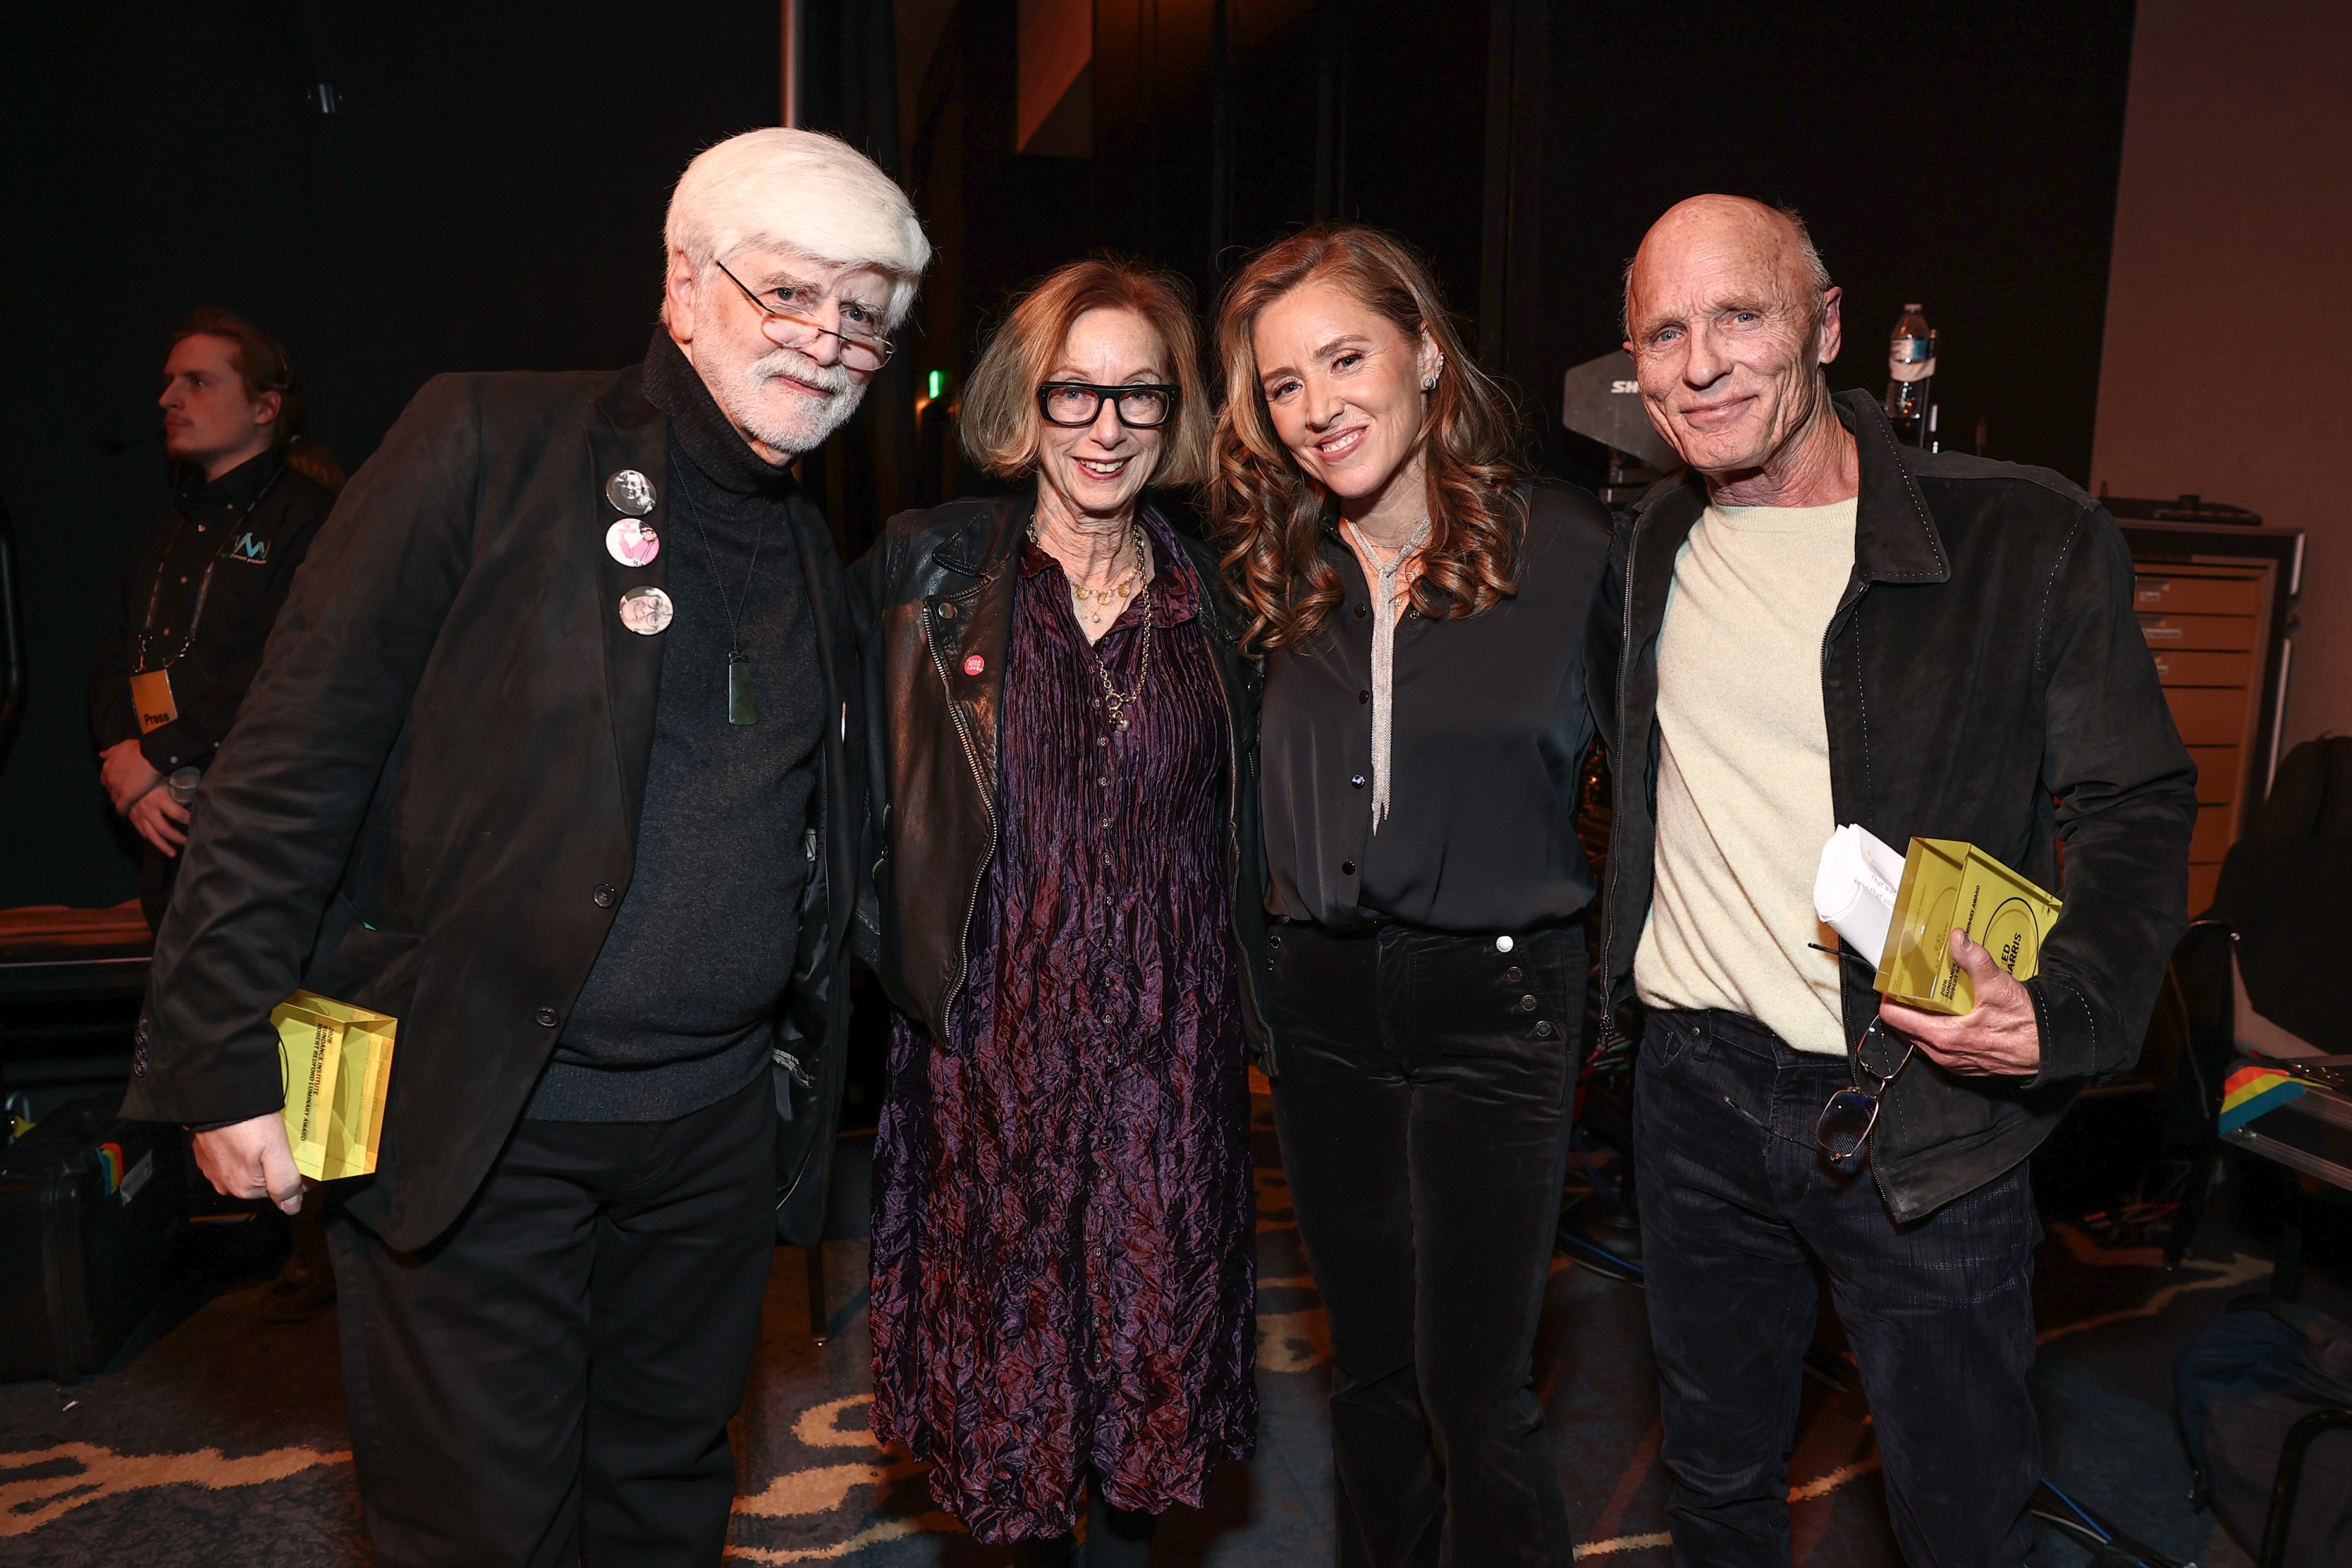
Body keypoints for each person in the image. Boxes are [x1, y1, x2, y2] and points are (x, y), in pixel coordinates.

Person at [119, 129, 927, 1565]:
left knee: (665, 1506)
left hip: (709, 1141)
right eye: (791, 292)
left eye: (865, 313)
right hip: (479, 1115)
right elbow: (291, 763)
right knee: (483, 1530)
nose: (828, 340)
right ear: (683, 283)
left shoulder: (807, 546)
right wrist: (231, 1063)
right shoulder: (487, 441)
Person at [1592, 195, 2197, 1565]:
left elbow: (2137, 803)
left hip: (1922, 1104)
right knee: (1716, 1486)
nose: (1702, 363)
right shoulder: (1651, 545)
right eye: (1664, 333)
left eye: (1738, 315)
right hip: (1694, 1096)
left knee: (1960, 1512)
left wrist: (2071, 1006)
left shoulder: (2024, 538)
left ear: (1825, 325)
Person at [1211, 223, 1611, 1567]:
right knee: (1371, 1378)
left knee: (1474, 1392)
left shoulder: (1570, 550)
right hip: (1322, 1007)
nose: (1318, 407)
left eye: (1346, 359)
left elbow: (1680, 775)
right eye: (1284, 384)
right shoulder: (1274, 572)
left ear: (1427, 353)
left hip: (1501, 1001)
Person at [858, 256, 1265, 1564]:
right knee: (1011, 1409)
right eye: (1073, 392)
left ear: (1174, 413)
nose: (1105, 426)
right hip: (992, 1062)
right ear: (1024, 403)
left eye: (1139, 395)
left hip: (1167, 1067)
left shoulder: (1218, 602)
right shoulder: (926, 573)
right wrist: (910, 976)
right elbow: (851, 804)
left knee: (1148, 1408)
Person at [89, 310, 340, 934]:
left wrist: (158, 754)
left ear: (265, 408)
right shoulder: (168, 525)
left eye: (197, 382)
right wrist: (128, 763)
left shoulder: (308, 518)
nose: (168, 399)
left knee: (272, 989)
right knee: (182, 988)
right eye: (169, 382)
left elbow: (286, 664)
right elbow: (112, 657)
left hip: (265, 833)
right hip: (169, 819)